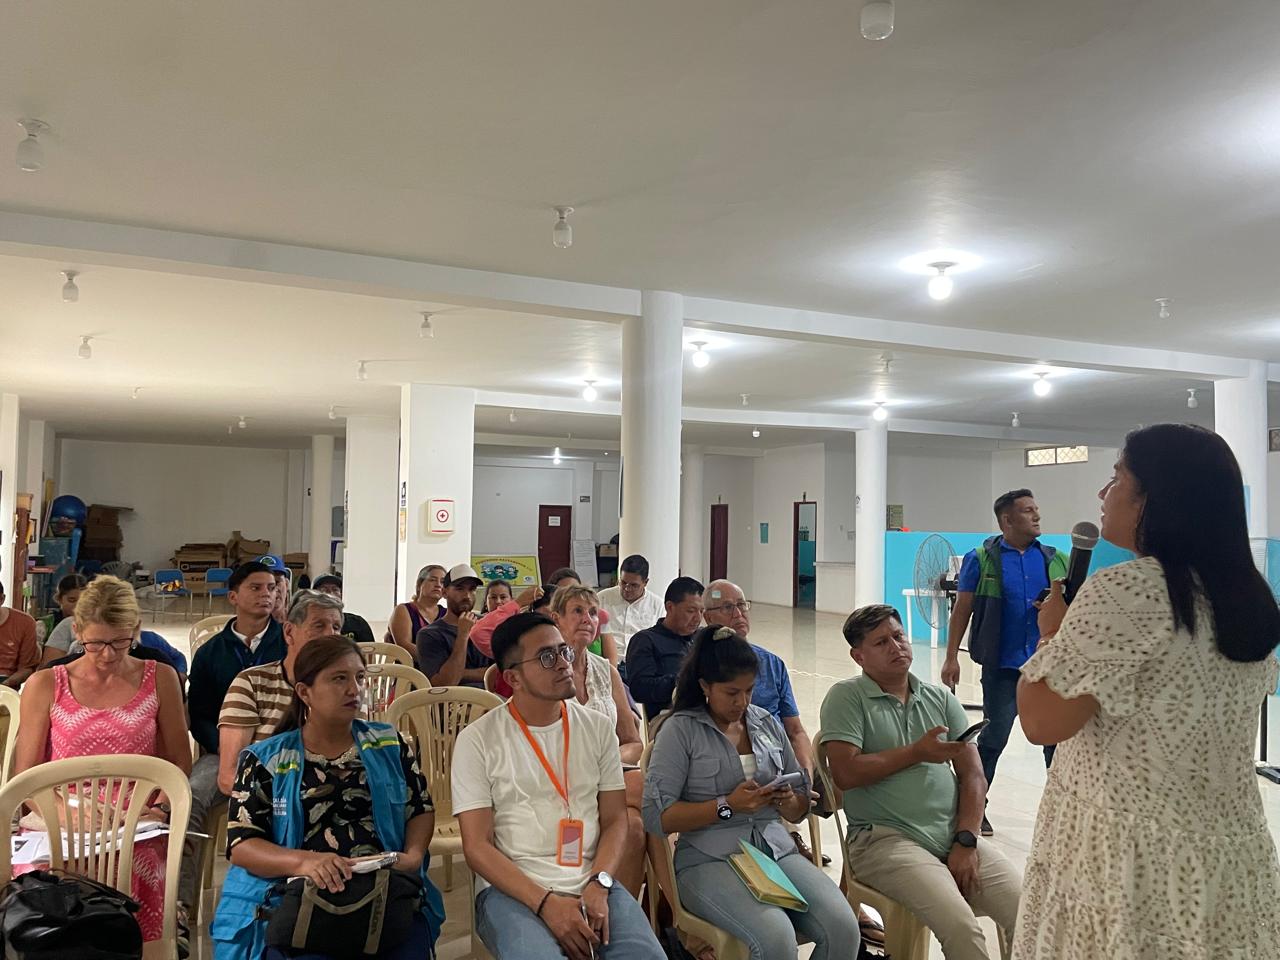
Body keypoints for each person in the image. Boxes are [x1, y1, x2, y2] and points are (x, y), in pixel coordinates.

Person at [1013, 424, 1280, 958]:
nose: (1103, 492)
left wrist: (1053, 635)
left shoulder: (1128, 589)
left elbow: (1043, 721)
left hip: (1128, 862)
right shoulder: (1246, 596)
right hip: (1227, 854)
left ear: (1157, 498)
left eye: (1117, 477)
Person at [212, 636, 444, 960]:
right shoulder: (266, 759)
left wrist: (414, 855)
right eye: (339, 679)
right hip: (300, 897)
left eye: (359, 677)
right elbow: (243, 845)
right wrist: (306, 862)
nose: (354, 689)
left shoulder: (388, 744)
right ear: (304, 692)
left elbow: (419, 807)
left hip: (382, 894)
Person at [453, 612, 665, 960]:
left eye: (564, 651)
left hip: (592, 881)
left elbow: (615, 820)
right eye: (547, 657)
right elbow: (477, 846)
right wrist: (546, 903)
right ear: (513, 678)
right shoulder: (478, 739)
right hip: (514, 890)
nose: (565, 663)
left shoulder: (597, 728)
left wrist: (600, 883)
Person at [644, 625, 860, 960]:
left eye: (749, 691)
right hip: (709, 857)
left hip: (774, 850)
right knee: (776, 938)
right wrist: (727, 805)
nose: (742, 702)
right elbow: (658, 818)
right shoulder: (680, 730)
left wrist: (789, 801)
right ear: (704, 686)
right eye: (731, 693)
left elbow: (798, 806)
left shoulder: (765, 723)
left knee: (843, 927)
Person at [820, 605, 1021, 960]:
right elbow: (845, 773)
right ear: (859, 656)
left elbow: (973, 775)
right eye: (881, 642)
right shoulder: (847, 698)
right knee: (961, 926)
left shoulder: (939, 698)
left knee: (1028, 909)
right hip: (885, 840)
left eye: (898, 636)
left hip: (952, 834)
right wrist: (916, 752)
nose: (896, 647)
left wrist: (966, 839)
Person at [13, 575, 191, 943]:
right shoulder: (47, 683)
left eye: (120, 642)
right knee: (38, 879)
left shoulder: (160, 678)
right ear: (77, 631)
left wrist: (158, 809)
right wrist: (64, 814)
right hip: (60, 813)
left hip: (136, 818)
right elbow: (26, 778)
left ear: (136, 631)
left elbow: (177, 761)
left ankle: (145, 946)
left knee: (140, 864)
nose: (108, 655)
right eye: (95, 644)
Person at [941, 488, 1066, 836]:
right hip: (1002, 667)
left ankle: (1059, 811)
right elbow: (962, 609)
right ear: (1007, 520)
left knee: (1055, 743)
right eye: (1028, 511)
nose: (1037, 515)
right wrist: (951, 658)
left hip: (1048, 667)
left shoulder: (1057, 559)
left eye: (1036, 509)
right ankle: (974, 808)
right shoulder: (981, 559)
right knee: (993, 739)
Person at [703, 580, 840, 874]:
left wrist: (805, 774)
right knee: (765, 777)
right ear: (708, 617)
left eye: (742, 605)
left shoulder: (772, 663)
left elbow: (796, 730)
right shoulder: (701, 669)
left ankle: (855, 867)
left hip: (782, 755)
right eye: (727, 607)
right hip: (741, 760)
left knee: (842, 785)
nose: (738, 613)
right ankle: (786, 838)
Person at [549, 585, 646, 895]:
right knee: (650, 793)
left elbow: (633, 742)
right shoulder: (545, 670)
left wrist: (608, 764)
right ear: (556, 619)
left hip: (608, 777)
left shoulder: (606, 671)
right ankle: (670, 905)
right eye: (577, 611)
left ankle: (617, 911)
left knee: (636, 826)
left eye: (593, 613)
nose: (587, 619)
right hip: (560, 780)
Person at [188, 561, 287, 755]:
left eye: (271, 587)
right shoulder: (209, 652)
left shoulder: (290, 643)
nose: (266, 594)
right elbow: (199, 715)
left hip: (283, 748)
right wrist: (223, 748)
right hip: (225, 749)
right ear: (233, 597)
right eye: (256, 588)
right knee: (202, 777)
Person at [624, 577, 704, 721]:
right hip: (667, 717)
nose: (697, 618)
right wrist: (684, 681)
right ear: (670, 607)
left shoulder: (702, 638)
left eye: (701, 611)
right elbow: (639, 689)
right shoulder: (645, 640)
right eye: (691, 611)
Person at [416, 563, 493, 687]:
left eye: (472, 589)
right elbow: (444, 683)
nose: (467, 595)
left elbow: (500, 673)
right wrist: (463, 635)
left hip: (491, 697)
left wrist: (462, 673)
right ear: (444, 592)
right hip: (455, 698)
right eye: (459, 589)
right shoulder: (430, 634)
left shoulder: (486, 625)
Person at [598, 555, 665, 655]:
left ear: (645, 582)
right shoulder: (602, 598)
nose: (627, 588)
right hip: (607, 658)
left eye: (634, 585)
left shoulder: (657, 605)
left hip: (641, 659)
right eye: (623, 582)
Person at [385, 564, 446, 659]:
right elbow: (404, 646)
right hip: (410, 667)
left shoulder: (446, 613)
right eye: (432, 580)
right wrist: (435, 660)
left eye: (442, 582)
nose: (438, 585)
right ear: (419, 585)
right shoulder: (404, 610)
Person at [312, 574, 375, 644]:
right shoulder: (308, 622)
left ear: (341, 594)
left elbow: (370, 648)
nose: (330, 594)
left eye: (335, 589)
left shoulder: (358, 623)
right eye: (324, 590)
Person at [0, 580, 39, 689]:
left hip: (7, 686)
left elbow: (27, 668)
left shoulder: (25, 623)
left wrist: (6, 684)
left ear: (2, 599)